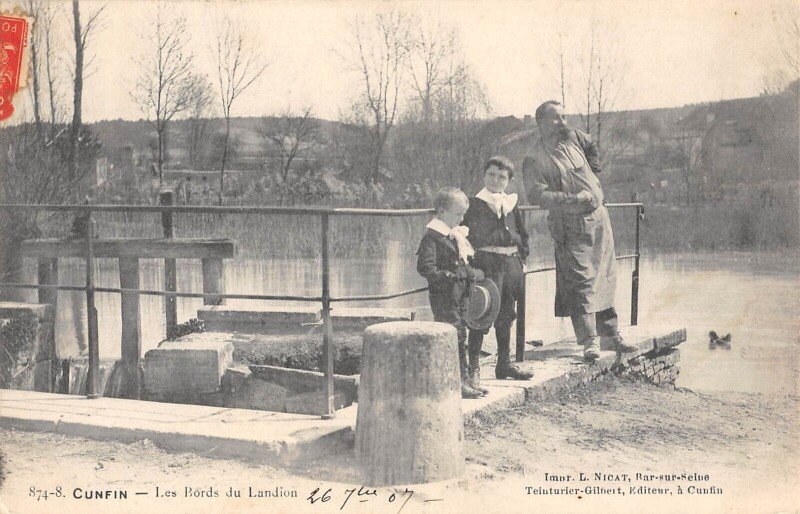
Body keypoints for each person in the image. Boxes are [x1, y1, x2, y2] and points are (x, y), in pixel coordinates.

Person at [522, 100, 636, 361]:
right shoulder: (534, 158)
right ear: (540, 122)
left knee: (605, 276)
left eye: (564, 117)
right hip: (570, 226)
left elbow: (590, 141)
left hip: (598, 220)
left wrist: (594, 175)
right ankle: (589, 342)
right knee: (580, 282)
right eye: (555, 119)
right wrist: (572, 200)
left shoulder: (574, 139)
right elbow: (536, 195)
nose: (562, 123)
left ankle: (611, 335)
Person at [462, 156, 533, 384]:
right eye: (491, 174)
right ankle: (473, 368)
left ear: (509, 180)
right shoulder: (474, 205)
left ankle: (504, 364)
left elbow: (523, 234)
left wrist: (521, 258)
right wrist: (471, 267)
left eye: (502, 177)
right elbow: (463, 238)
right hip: (486, 264)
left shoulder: (511, 204)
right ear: (484, 176)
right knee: (481, 313)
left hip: (511, 265)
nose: (495, 180)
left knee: (506, 314)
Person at [417, 187, 486, 399]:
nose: (462, 218)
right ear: (442, 212)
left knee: (461, 333)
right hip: (444, 297)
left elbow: (462, 262)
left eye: (463, 214)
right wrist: (446, 277)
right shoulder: (433, 238)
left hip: (460, 295)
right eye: (458, 214)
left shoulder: (454, 235)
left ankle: (463, 380)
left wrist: (470, 274)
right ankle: (456, 381)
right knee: (453, 335)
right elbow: (425, 268)